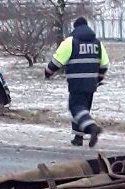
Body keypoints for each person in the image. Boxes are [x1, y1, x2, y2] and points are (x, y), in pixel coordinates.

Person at [45, 16, 108, 146]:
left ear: (75, 28)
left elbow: (57, 61)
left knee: (76, 107)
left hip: (76, 83)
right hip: (91, 84)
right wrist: (98, 78)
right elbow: (104, 64)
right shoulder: (97, 43)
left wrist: (48, 72)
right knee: (83, 110)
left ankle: (92, 128)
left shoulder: (70, 41)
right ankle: (78, 138)